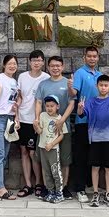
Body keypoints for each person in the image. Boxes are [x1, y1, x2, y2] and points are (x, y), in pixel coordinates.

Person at [78, 75, 109, 208]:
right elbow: (81, 114)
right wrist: (80, 107)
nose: (103, 88)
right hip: (95, 139)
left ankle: (108, 193)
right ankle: (96, 193)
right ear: (96, 86)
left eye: (106, 85)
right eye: (101, 85)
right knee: (95, 167)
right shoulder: (91, 101)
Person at [35, 56, 75, 200]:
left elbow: (72, 103)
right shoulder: (43, 84)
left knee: (64, 159)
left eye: (58, 65)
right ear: (48, 67)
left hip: (63, 128)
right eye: (52, 66)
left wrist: (62, 120)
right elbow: (38, 102)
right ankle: (49, 188)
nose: (55, 68)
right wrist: (37, 120)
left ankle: (63, 188)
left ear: (62, 67)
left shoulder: (68, 83)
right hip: (46, 129)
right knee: (45, 160)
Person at [69, 46, 102, 203]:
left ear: (98, 57)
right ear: (84, 57)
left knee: (93, 156)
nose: (92, 58)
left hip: (98, 123)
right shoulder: (80, 73)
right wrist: (70, 87)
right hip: (83, 121)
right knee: (81, 156)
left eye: (94, 56)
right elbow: (74, 93)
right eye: (89, 56)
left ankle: (90, 185)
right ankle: (79, 188)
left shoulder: (100, 76)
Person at [16, 50, 49, 198]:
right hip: (23, 118)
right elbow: (19, 97)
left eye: (39, 60)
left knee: (34, 153)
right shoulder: (22, 77)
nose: (37, 63)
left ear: (43, 62)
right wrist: (16, 115)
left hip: (37, 120)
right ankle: (28, 184)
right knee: (24, 151)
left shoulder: (46, 78)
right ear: (30, 62)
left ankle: (39, 183)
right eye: (34, 60)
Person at [0, 54, 20, 200]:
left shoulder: (14, 82)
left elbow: (14, 100)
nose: (12, 66)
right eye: (10, 63)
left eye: (14, 64)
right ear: (4, 65)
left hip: (9, 119)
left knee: (4, 153)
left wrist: (16, 116)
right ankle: (0, 188)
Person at [37, 95, 67, 204]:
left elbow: (61, 135)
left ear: (57, 106)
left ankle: (59, 193)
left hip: (53, 149)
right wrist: (35, 126)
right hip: (43, 147)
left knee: (55, 171)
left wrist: (52, 144)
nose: (49, 108)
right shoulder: (42, 115)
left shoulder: (59, 119)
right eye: (47, 106)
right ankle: (50, 192)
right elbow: (40, 131)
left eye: (52, 106)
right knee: (46, 171)